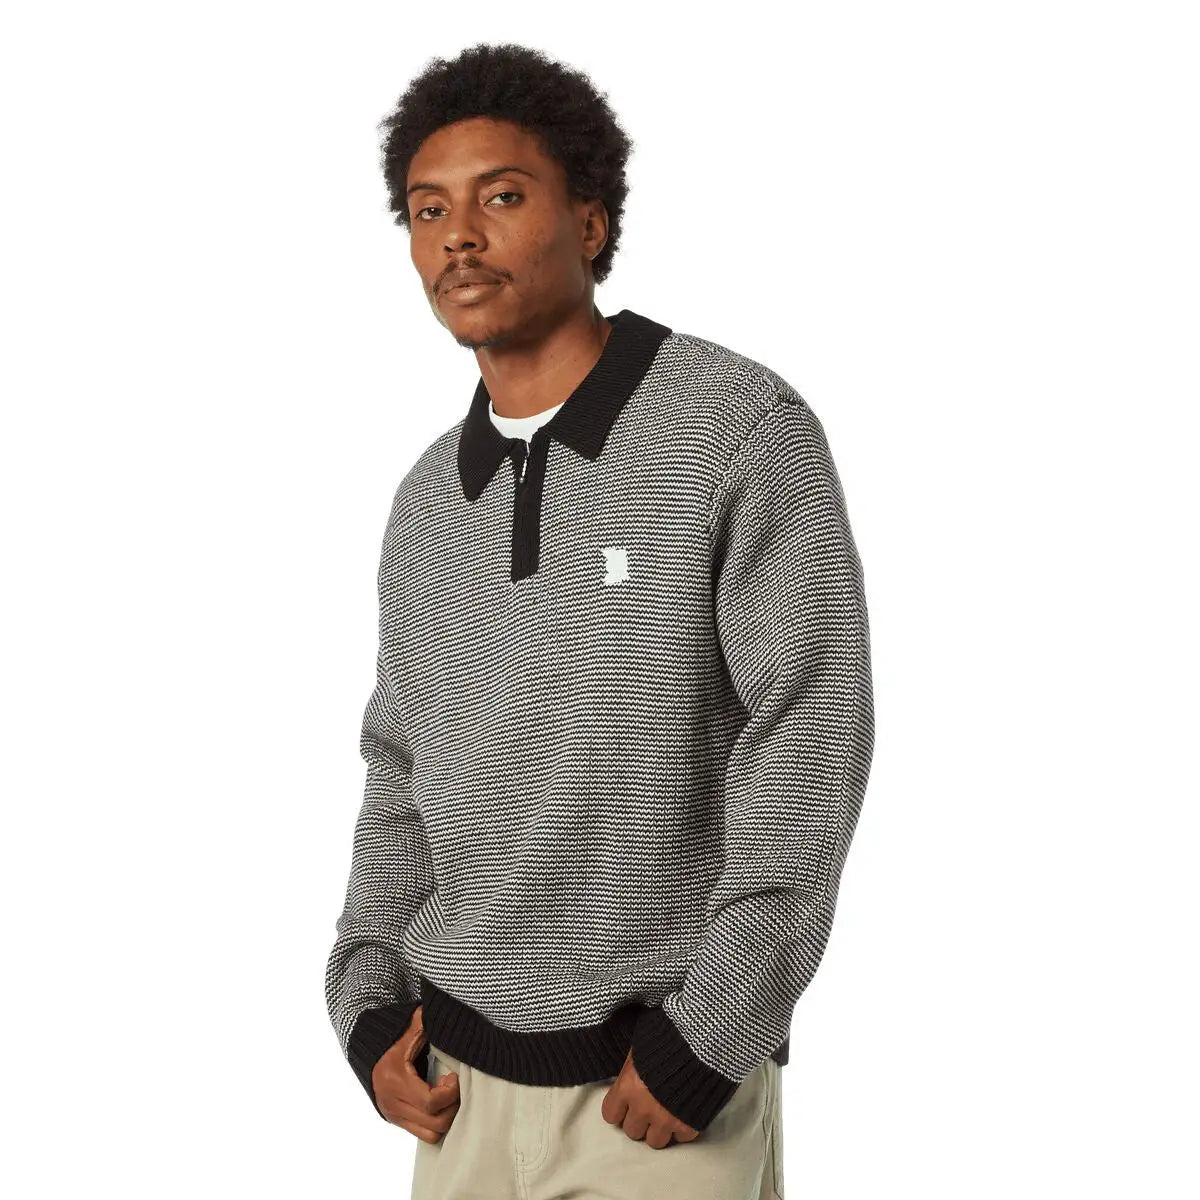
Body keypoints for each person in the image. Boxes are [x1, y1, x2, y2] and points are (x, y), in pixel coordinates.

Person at [324, 41, 875, 1200]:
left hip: (658, 1097)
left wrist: (712, 1034)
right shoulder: (426, 503)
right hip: (455, 1097)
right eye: (428, 210)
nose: (457, 237)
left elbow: (808, 727)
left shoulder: (735, 428)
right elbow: (399, 767)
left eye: (500, 197)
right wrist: (370, 1004)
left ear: (591, 220)